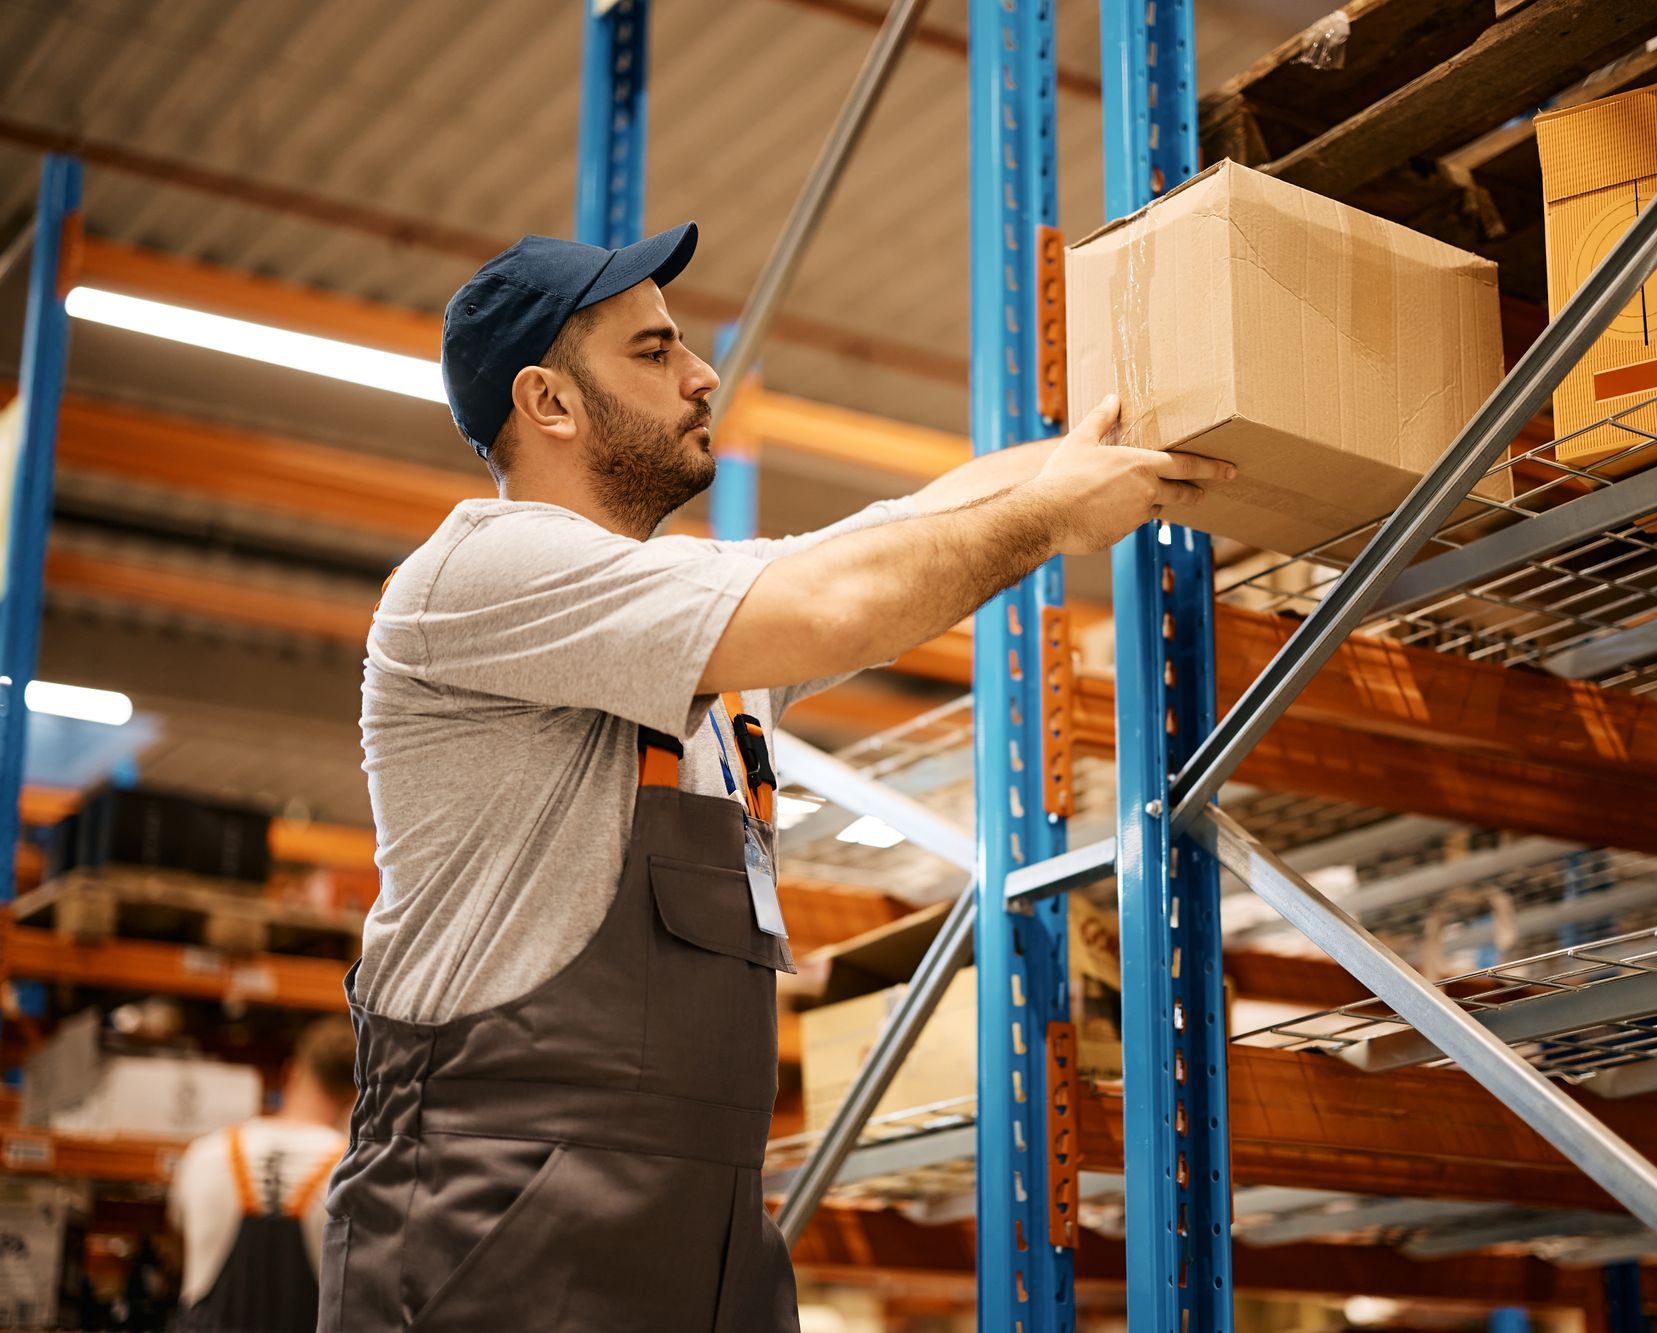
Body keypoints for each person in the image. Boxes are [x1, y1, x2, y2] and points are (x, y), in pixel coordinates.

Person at [320, 222, 1233, 1333]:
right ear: (548, 404)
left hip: (705, 1228)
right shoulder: (475, 574)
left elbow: (907, 529)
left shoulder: (688, 597)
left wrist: (1136, 430)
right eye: (653, 353)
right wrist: (1052, 514)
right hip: (497, 1221)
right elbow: (839, 600)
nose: (702, 375)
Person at [167, 1017, 355, 1332]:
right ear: (354, 1095)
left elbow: (176, 1249)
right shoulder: (350, 1171)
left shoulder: (206, 1152)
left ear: (291, 1072)